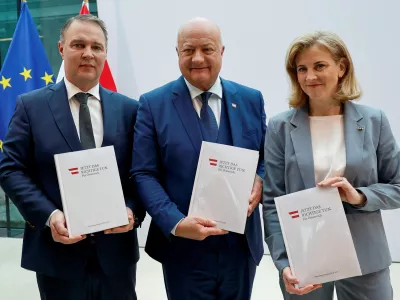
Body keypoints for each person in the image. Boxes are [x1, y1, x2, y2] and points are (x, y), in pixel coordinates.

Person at [0, 14, 144, 300]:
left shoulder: (130, 109)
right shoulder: (31, 106)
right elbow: (11, 169)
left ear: (105, 53)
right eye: (79, 44)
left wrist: (132, 210)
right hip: (57, 256)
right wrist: (49, 215)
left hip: (115, 256)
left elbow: (141, 172)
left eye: (96, 46)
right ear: (62, 48)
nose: (88, 53)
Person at [131, 17, 266, 300]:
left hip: (239, 247)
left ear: (222, 52)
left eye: (207, 49)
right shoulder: (153, 104)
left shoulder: (251, 100)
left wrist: (261, 180)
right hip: (183, 248)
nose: (198, 58)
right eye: (188, 50)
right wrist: (177, 223)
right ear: (177, 53)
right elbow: (143, 173)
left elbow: (265, 157)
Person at [263, 31, 400, 300]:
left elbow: (397, 186)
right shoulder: (280, 127)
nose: (309, 77)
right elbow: (272, 203)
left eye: (319, 66)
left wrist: (360, 196)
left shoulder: (374, 121)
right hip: (305, 257)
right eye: (302, 69)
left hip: (366, 257)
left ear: (342, 67)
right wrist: (283, 263)